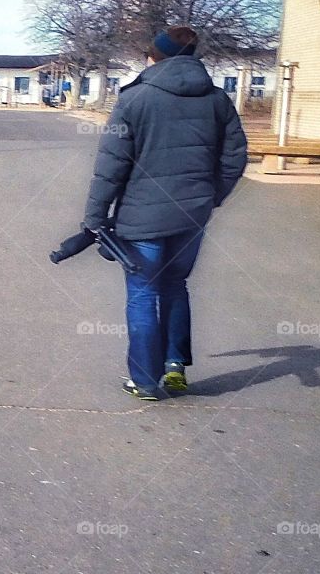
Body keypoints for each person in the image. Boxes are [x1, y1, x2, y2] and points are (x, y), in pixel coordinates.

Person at [83, 25, 247, 401]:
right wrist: (211, 196)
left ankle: (143, 379)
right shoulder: (217, 99)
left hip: (142, 219)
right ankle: (174, 367)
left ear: (154, 56)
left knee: (142, 293)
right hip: (192, 216)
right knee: (175, 285)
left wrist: (94, 218)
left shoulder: (135, 99)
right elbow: (235, 156)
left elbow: (111, 166)